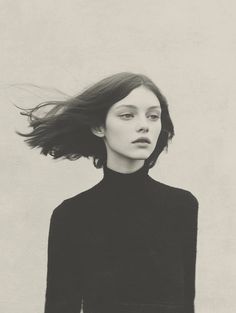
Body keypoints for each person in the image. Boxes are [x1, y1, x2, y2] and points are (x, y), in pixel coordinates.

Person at [17, 72, 199, 313]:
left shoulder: (182, 205)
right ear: (98, 126)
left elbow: (186, 303)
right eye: (127, 115)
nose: (144, 124)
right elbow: (60, 307)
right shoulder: (71, 215)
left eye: (154, 116)